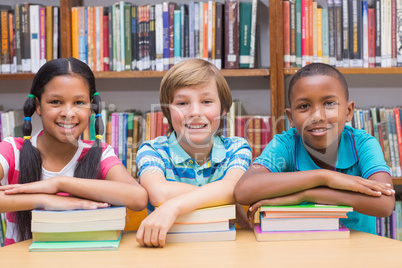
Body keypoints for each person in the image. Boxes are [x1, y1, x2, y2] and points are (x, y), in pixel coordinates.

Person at [0, 58, 148, 245]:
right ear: (38, 106)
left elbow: (138, 198)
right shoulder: (12, 150)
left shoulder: (99, 153)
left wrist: (61, 184)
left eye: (79, 102)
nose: (68, 113)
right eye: (55, 102)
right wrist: (45, 200)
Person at [234, 63, 395, 234]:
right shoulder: (286, 144)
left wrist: (306, 195)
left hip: (357, 251)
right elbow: (244, 190)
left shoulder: (363, 144)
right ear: (291, 117)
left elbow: (384, 204)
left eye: (329, 103)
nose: (317, 116)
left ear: (348, 111)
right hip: (302, 249)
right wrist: (324, 177)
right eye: (304, 106)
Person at [135, 59, 252, 247]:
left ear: (223, 109)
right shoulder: (152, 150)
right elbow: (159, 192)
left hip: (223, 248)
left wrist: (173, 206)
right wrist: (224, 196)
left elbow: (233, 188)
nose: (195, 112)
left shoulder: (237, 148)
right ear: (168, 112)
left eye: (206, 101)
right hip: (167, 248)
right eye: (182, 103)